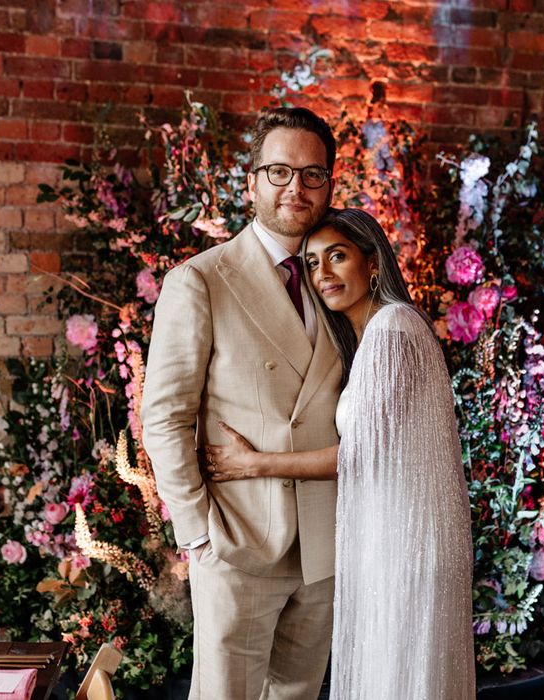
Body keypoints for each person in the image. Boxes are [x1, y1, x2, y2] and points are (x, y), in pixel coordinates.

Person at [205, 208, 476, 699]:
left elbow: (360, 455)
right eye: (310, 263)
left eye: (337, 256)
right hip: (393, 532)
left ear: (372, 264)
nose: (323, 273)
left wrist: (255, 463)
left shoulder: (393, 329)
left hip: (405, 541)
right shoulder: (374, 335)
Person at [141, 107, 342, 699]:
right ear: (251, 181)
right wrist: (197, 534)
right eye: (279, 171)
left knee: (299, 695)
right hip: (239, 537)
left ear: (330, 183)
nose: (295, 188)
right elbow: (165, 415)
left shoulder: (342, 278)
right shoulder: (201, 280)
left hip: (324, 540)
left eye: (312, 174)